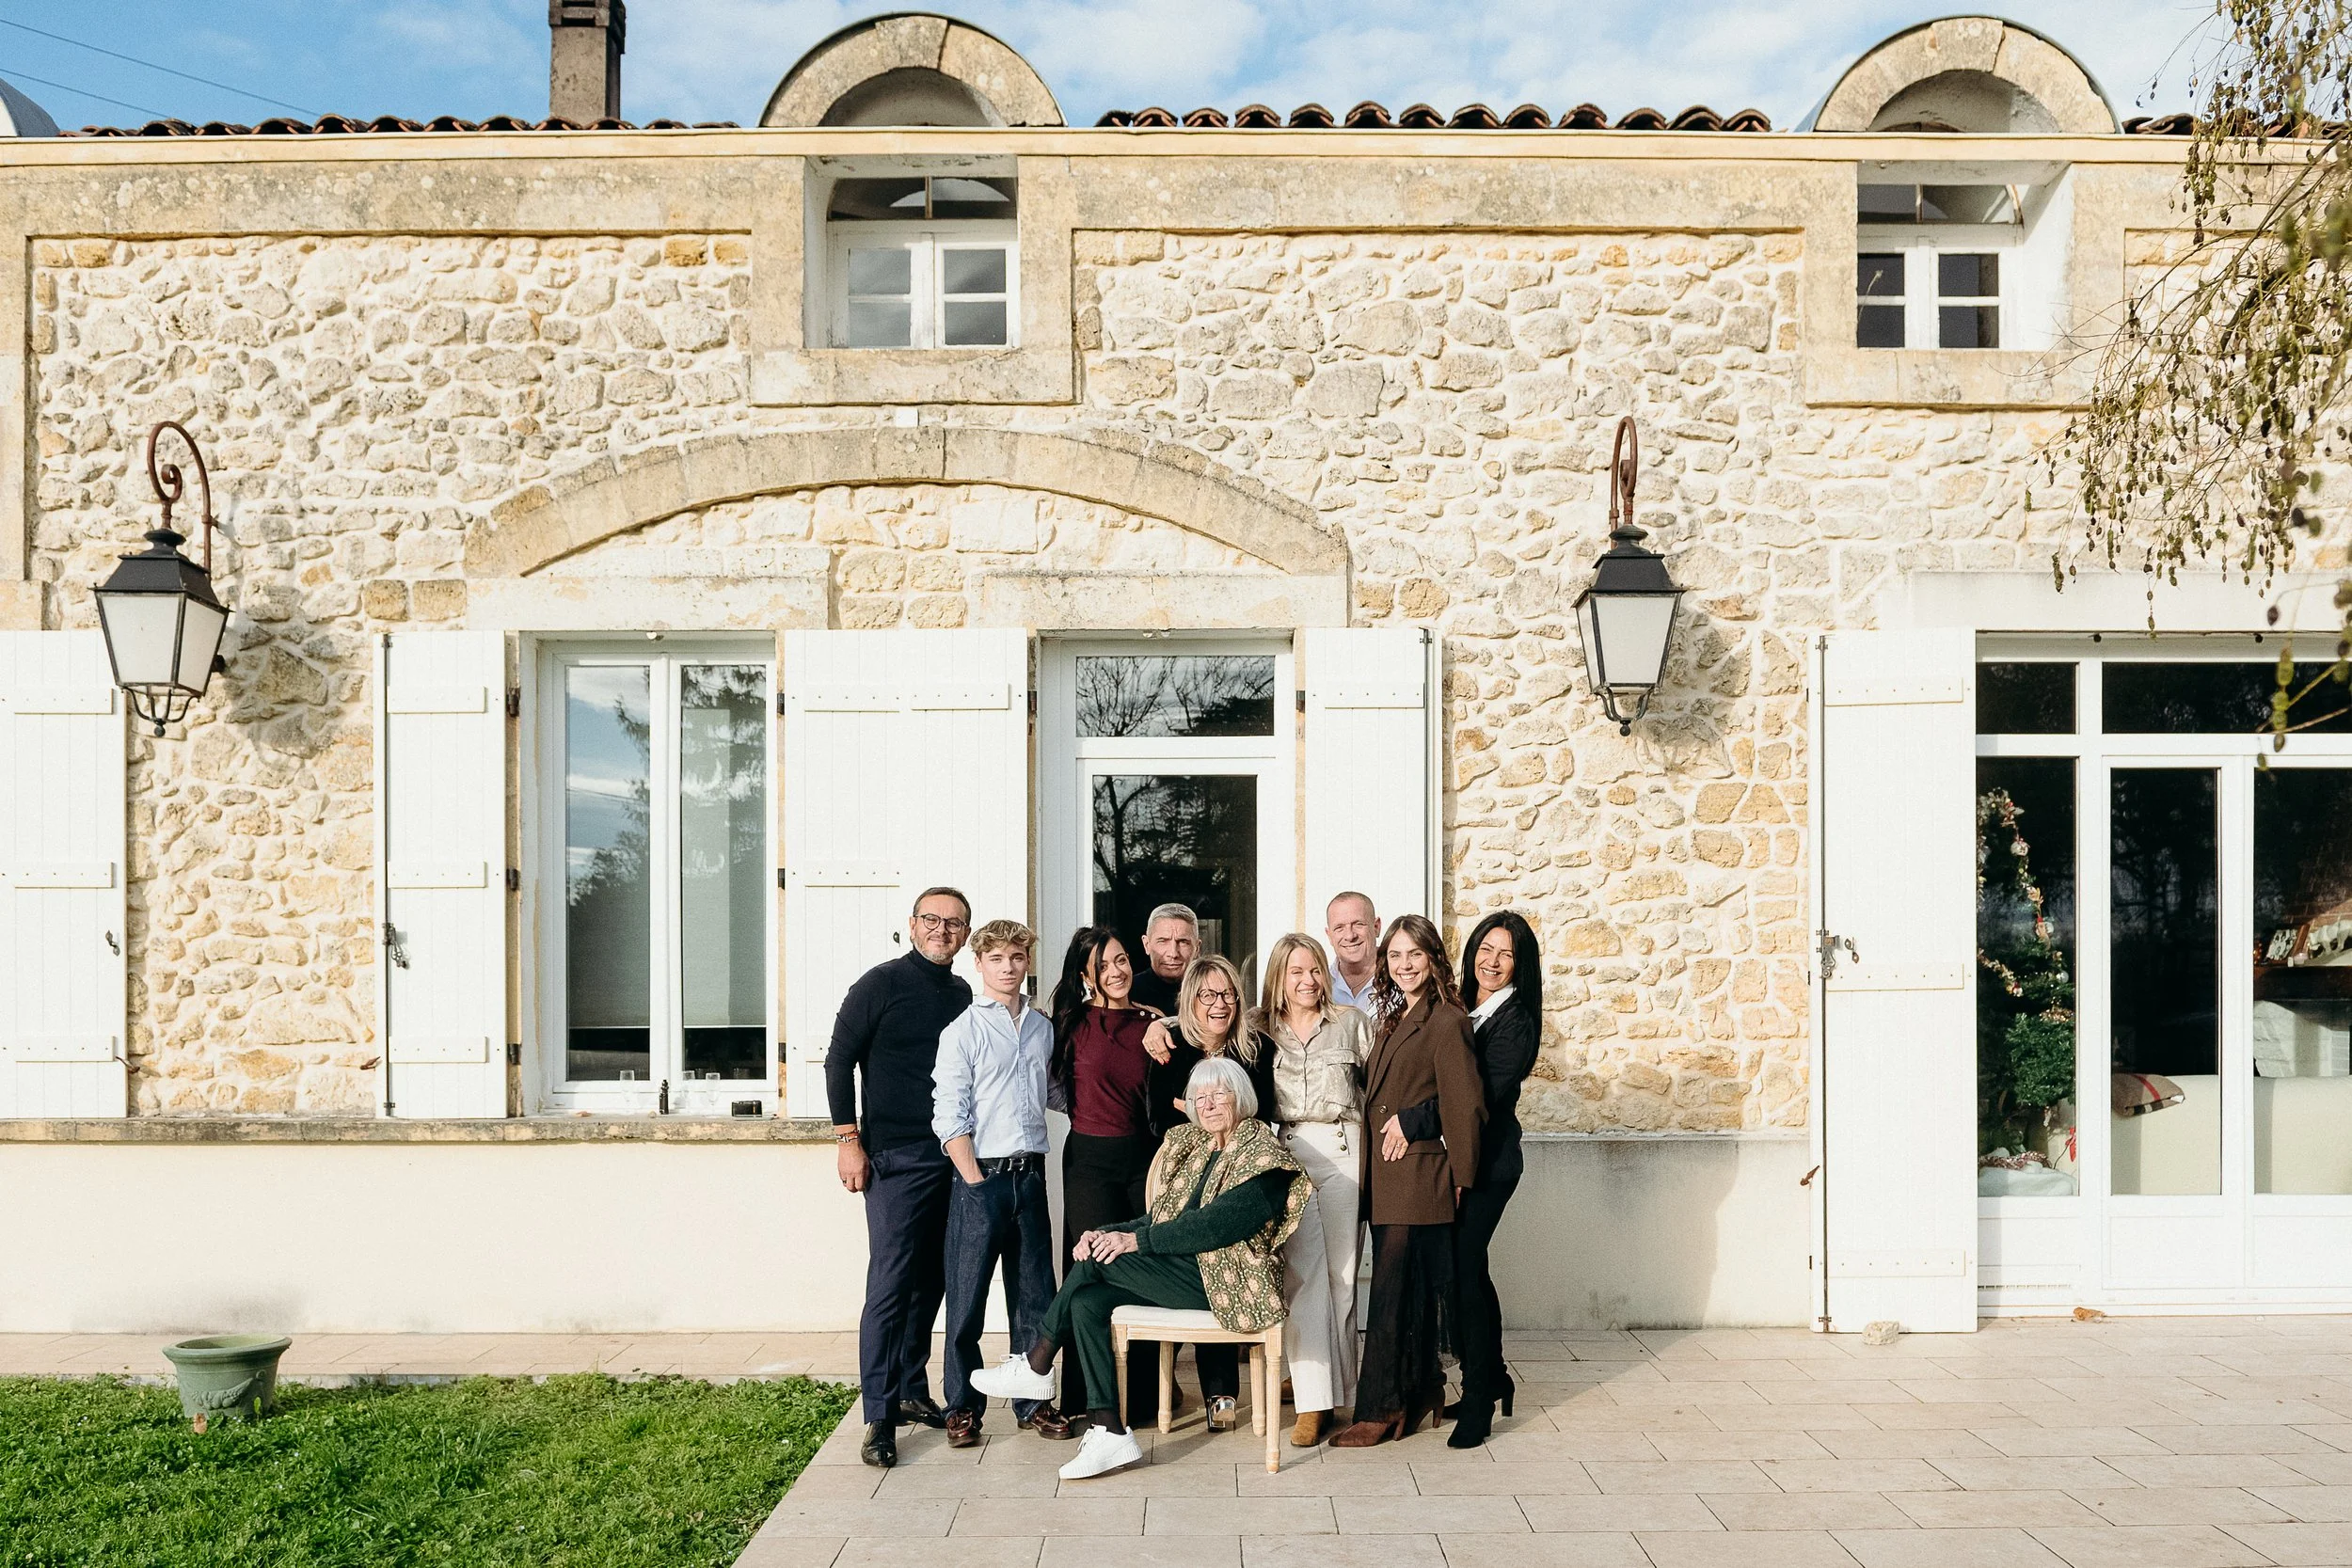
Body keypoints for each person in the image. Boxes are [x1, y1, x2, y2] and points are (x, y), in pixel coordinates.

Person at [970, 1056, 1311, 1481]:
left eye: (1217, 1094)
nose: (1207, 1105)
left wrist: (1133, 1242)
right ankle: (1108, 1428)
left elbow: (1214, 1226)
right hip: (1192, 1271)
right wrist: (1103, 1232)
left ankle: (1038, 1363)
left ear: (1239, 1096)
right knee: (1089, 1302)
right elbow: (1161, 1219)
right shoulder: (1204, 1151)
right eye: (1198, 1097)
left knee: (1099, 1264)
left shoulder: (1261, 1154)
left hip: (1233, 1281)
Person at [824, 885, 974, 1469]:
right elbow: (839, 1060)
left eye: (955, 923)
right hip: (894, 1156)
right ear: (912, 924)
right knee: (889, 1284)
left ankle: (912, 1388)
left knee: (933, 1279)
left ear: (967, 933)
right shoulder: (879, 984)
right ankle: (879, 1416)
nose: (943, 929)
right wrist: (847, 1140)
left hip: (952, 1153)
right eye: (932, 919)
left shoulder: (962, 991)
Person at [1330, 913, 1483, 1448]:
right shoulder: (1394, 1017)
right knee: (1408, 1289)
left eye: (1413, 955)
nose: (1403, 965)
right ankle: (1423, 1392)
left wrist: (1462, 1176)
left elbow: (1464, 1103)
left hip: (1421, 1175)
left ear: (1433, 958)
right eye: (1393, 956)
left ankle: (1380, 1408)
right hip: (1387, 1174)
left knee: (1391, 1294)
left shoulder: (1446, 1019)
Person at [1398, 911, 1543, 1448]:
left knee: (1462, 1273)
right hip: (1453, 1160)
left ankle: (1480, 1395)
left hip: (1489, 1166)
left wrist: (1413, 1119)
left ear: (1520, 965)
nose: (1492, 961)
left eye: (1506, 954)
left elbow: (1474, 1095)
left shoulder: (1516, 1022)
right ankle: (1493, 1376)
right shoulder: (1463, 1007)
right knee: (1468, 1273)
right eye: (1486, 948)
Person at [933, 918, 1058, 1449]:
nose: (1008, 968)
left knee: (1034, 1296)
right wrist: (975, 1181)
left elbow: (1055, 1092)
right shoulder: (962, 1030)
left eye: (1017, 958)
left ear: (1027, 961)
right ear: (978, 964)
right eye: (997, 959)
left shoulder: (1041, 1027)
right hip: (980, 1177)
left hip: (1030, 1175)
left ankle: (1033, 1402)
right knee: (967, 1300)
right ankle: (962, 1406)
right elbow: (949, 1114)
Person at [1139, 954, 1279, 1430]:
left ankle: (1221, 1395)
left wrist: (1198, 1107)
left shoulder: (1255, 1048)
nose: (1220, 1005)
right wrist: (1213, 1112)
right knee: (1179, 1267)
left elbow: (1262, 1114)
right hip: (1183, 1176)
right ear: (1190, 1000)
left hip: (1234, 1177)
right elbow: (1158, 1115)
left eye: (1228, 995)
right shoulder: (1169, 1046)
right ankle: (1160, 1390)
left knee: (1222, 1267)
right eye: (1208, 995)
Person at [1254, 932, 1373, 1447]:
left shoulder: (1352, 1023)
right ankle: (1313, 1401)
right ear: (1279, 978)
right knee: (1303, 1275)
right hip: (1289, 1148)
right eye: (1296, 972)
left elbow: (1384, 1084)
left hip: (1346, 1147)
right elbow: (1201, 1023)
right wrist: (1158, 1027)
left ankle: (1337, 1391)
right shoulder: (1258, 1028)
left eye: (1315, 970)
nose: (1308, 981)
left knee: (1343, 1277)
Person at [1048, 925, 1162, 1425]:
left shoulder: (1152, 1023)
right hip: (1089, 1161)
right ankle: (1082, 1398)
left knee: (1138, 1269)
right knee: (1089, 1266)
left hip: (1143, 1159)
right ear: (1084, 975)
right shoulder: (1067, 1025)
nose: (1116, 972)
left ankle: (1136, 1401)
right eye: (1103, 966)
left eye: (1120, 961)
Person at [1128, 902, 1200, 1016]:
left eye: (1183, 942)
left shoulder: (1212, 996)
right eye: (1163, 941)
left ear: (1197, 948)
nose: (1173, 953)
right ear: (1147, 945)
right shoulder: (1127, 994)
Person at [1324, 892, 1381, 1016]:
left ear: (1376, 927)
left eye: (1358, 924)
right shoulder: (1320, 987)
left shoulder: (1403, 980)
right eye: (1339, 928)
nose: (1350, 936)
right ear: (1329, 935)